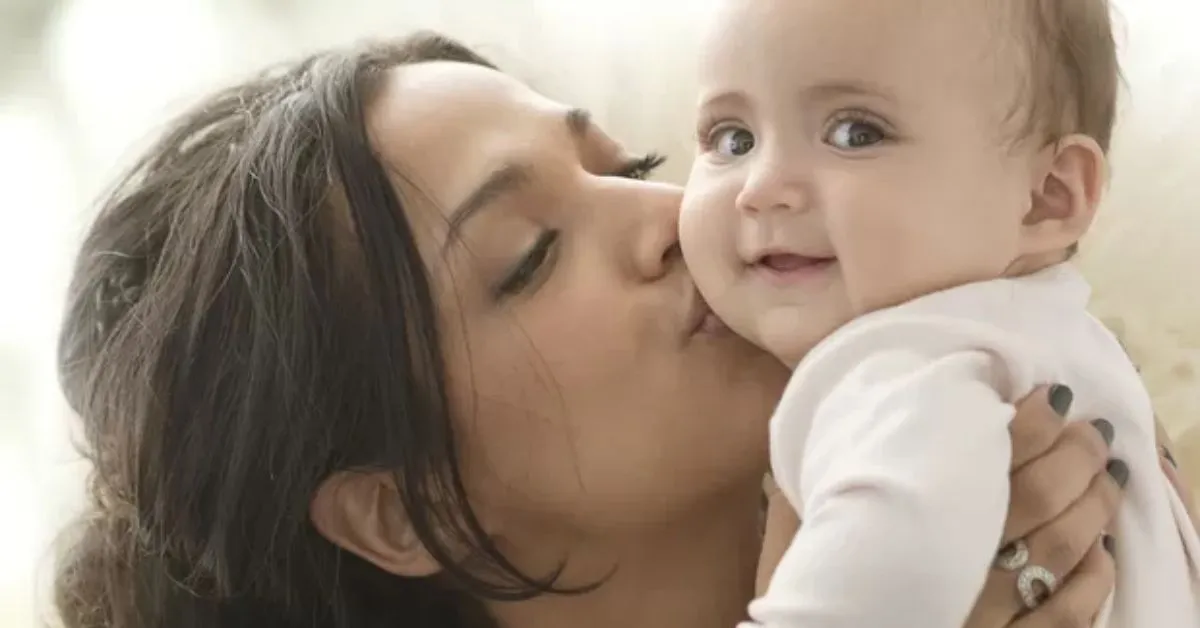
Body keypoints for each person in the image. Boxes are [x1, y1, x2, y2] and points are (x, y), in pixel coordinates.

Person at [53, 31, 1162, 628]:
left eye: (627, 166)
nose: (675, 217)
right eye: (532, 255)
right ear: (401, 509)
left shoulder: (1030, 402)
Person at [677, 0, 1200, 626]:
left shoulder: (904, 357)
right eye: (732, 139)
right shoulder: (1059, 346)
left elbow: (893, 563)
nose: (759, 188)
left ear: (1044, 197)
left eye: (855, 133)